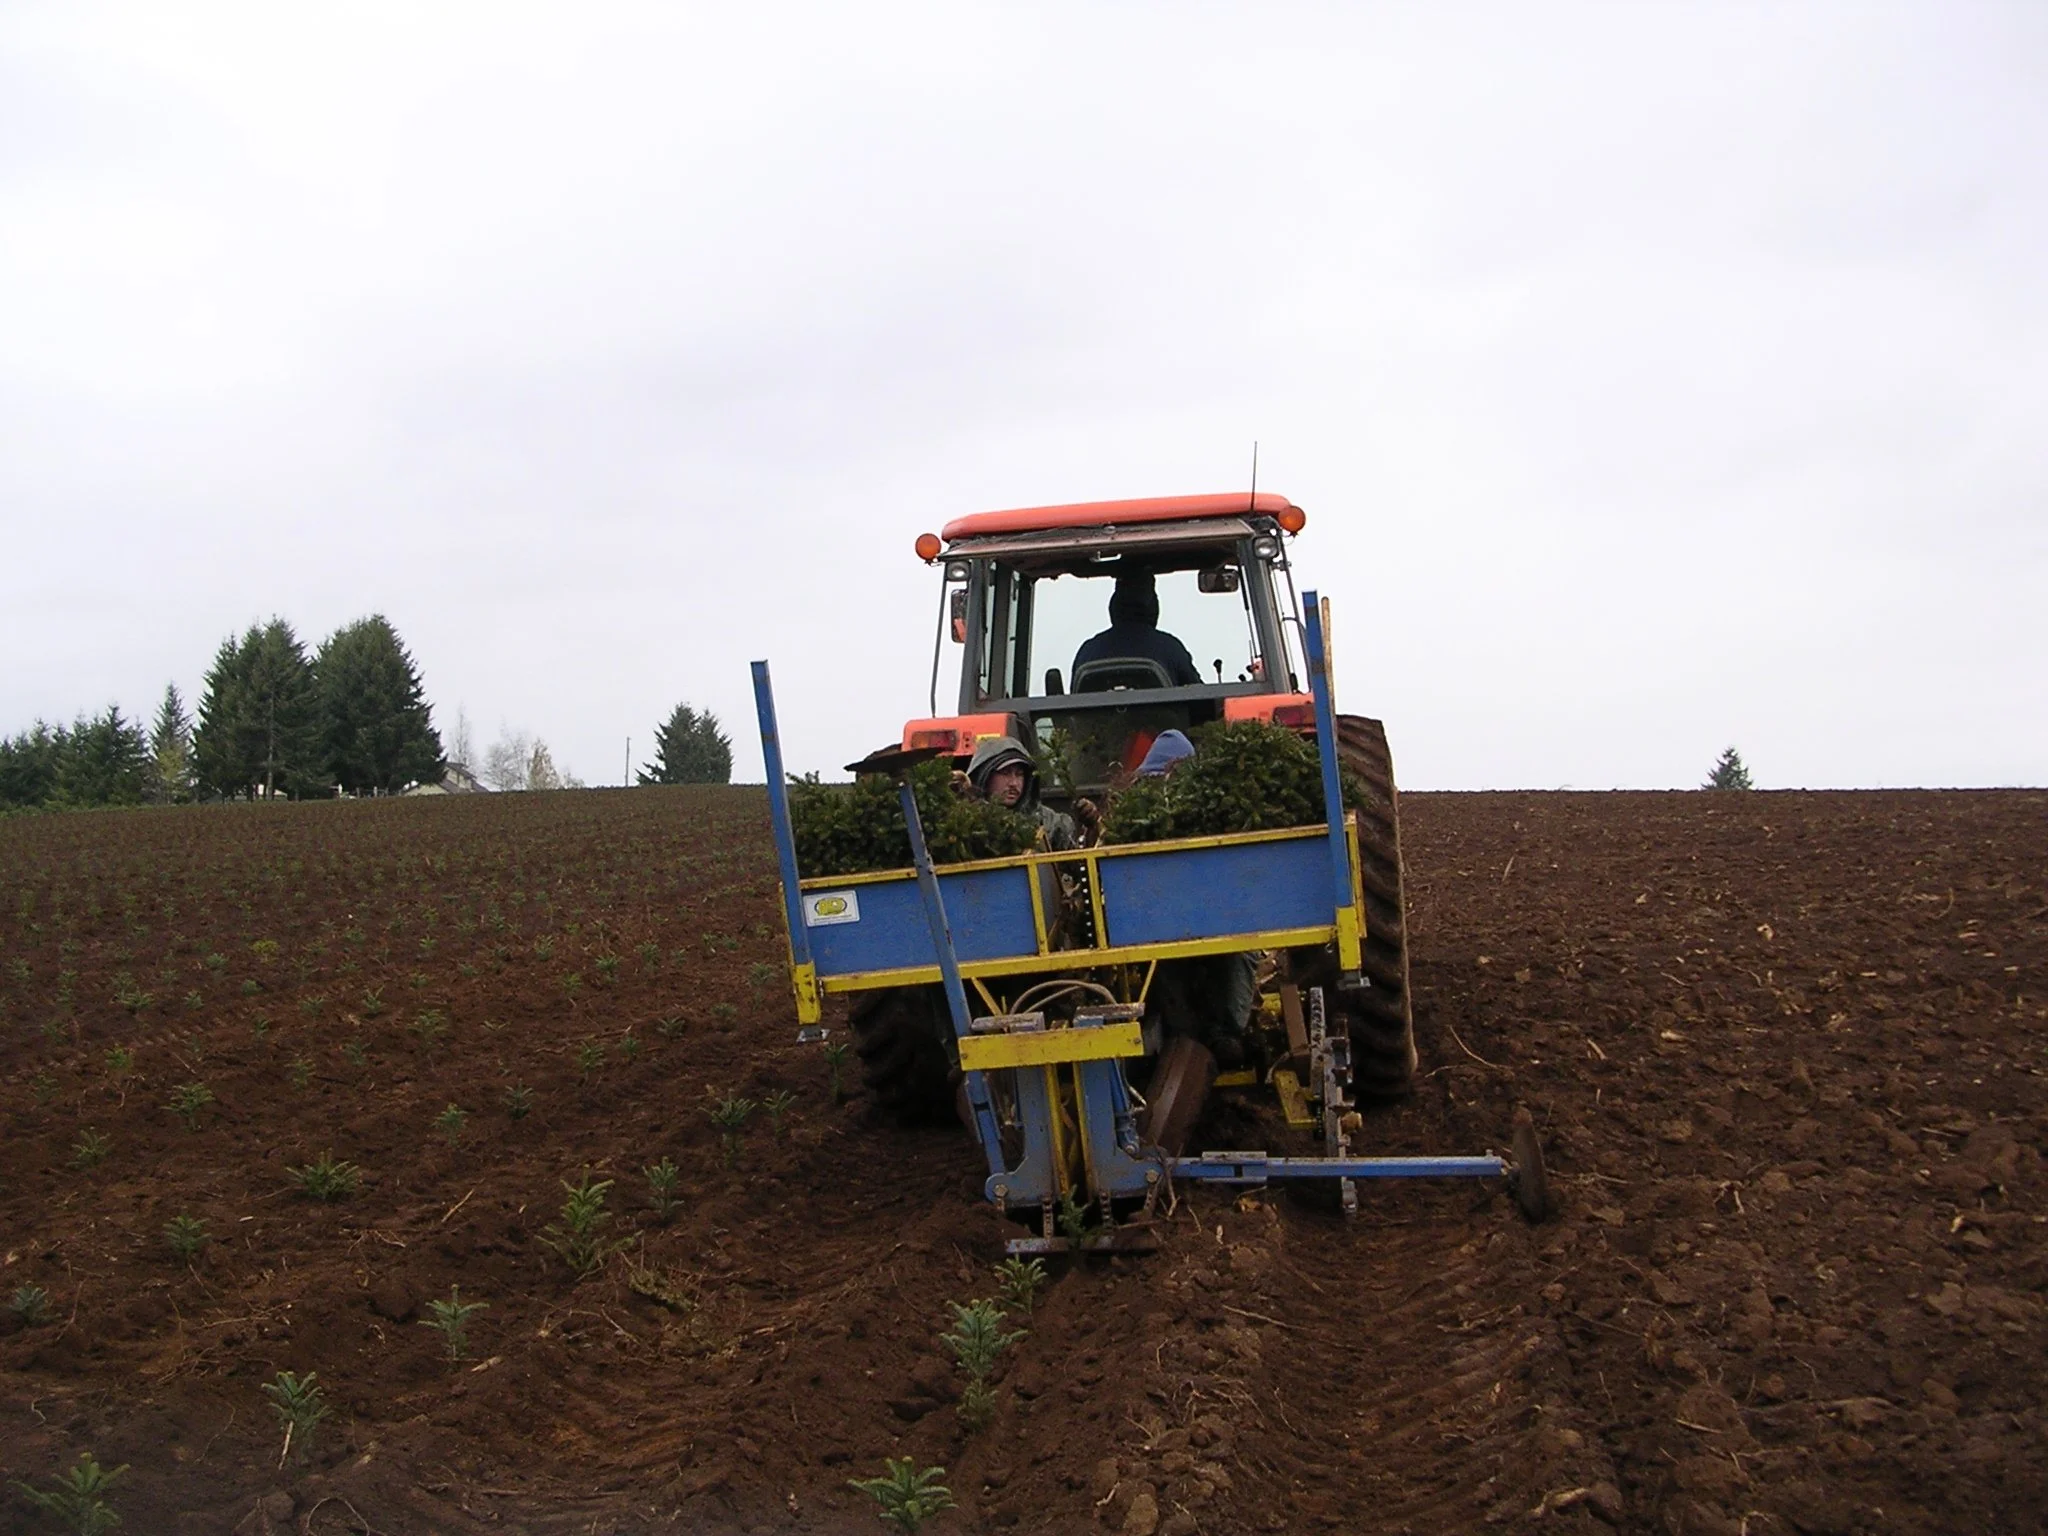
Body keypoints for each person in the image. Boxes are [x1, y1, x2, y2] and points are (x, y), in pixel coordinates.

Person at [1071, 571, 1203, 688]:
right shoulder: (1171, 648)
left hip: (1096, 717)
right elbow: (1200, 700)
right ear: (1153, 606)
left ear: (1114, 605)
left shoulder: (1087, 652)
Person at [960, 736, 1091, 850]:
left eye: (1019, 774)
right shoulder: (964, 824)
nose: (1014, 783)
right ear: (984, 775)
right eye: (1005, 773)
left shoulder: (1049, 822)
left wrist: (1092, 827)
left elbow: (1080, 862)